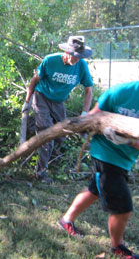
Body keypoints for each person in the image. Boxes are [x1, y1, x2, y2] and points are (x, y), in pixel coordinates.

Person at [57, 47, 139, 259]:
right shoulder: (122, 93)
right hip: (104, 151)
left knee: (95, 189)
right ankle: (117, 247)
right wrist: (85, 127)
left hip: (126, 158)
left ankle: (66, 220)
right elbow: (92, 118)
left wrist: (130, 141)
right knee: (123, 207)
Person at [22, 36, 93, 183]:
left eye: (79, 57)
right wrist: (27, 101)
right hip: (41, 96)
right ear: (67, 52)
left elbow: (88, 91)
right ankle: (40, 172)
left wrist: (85, 114)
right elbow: (35, 80)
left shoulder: (81, 66)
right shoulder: (50, 60)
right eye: (74, 56)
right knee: (46, 133)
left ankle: (33, 125)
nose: (76, 59)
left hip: (59, 102)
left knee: (61, 135)